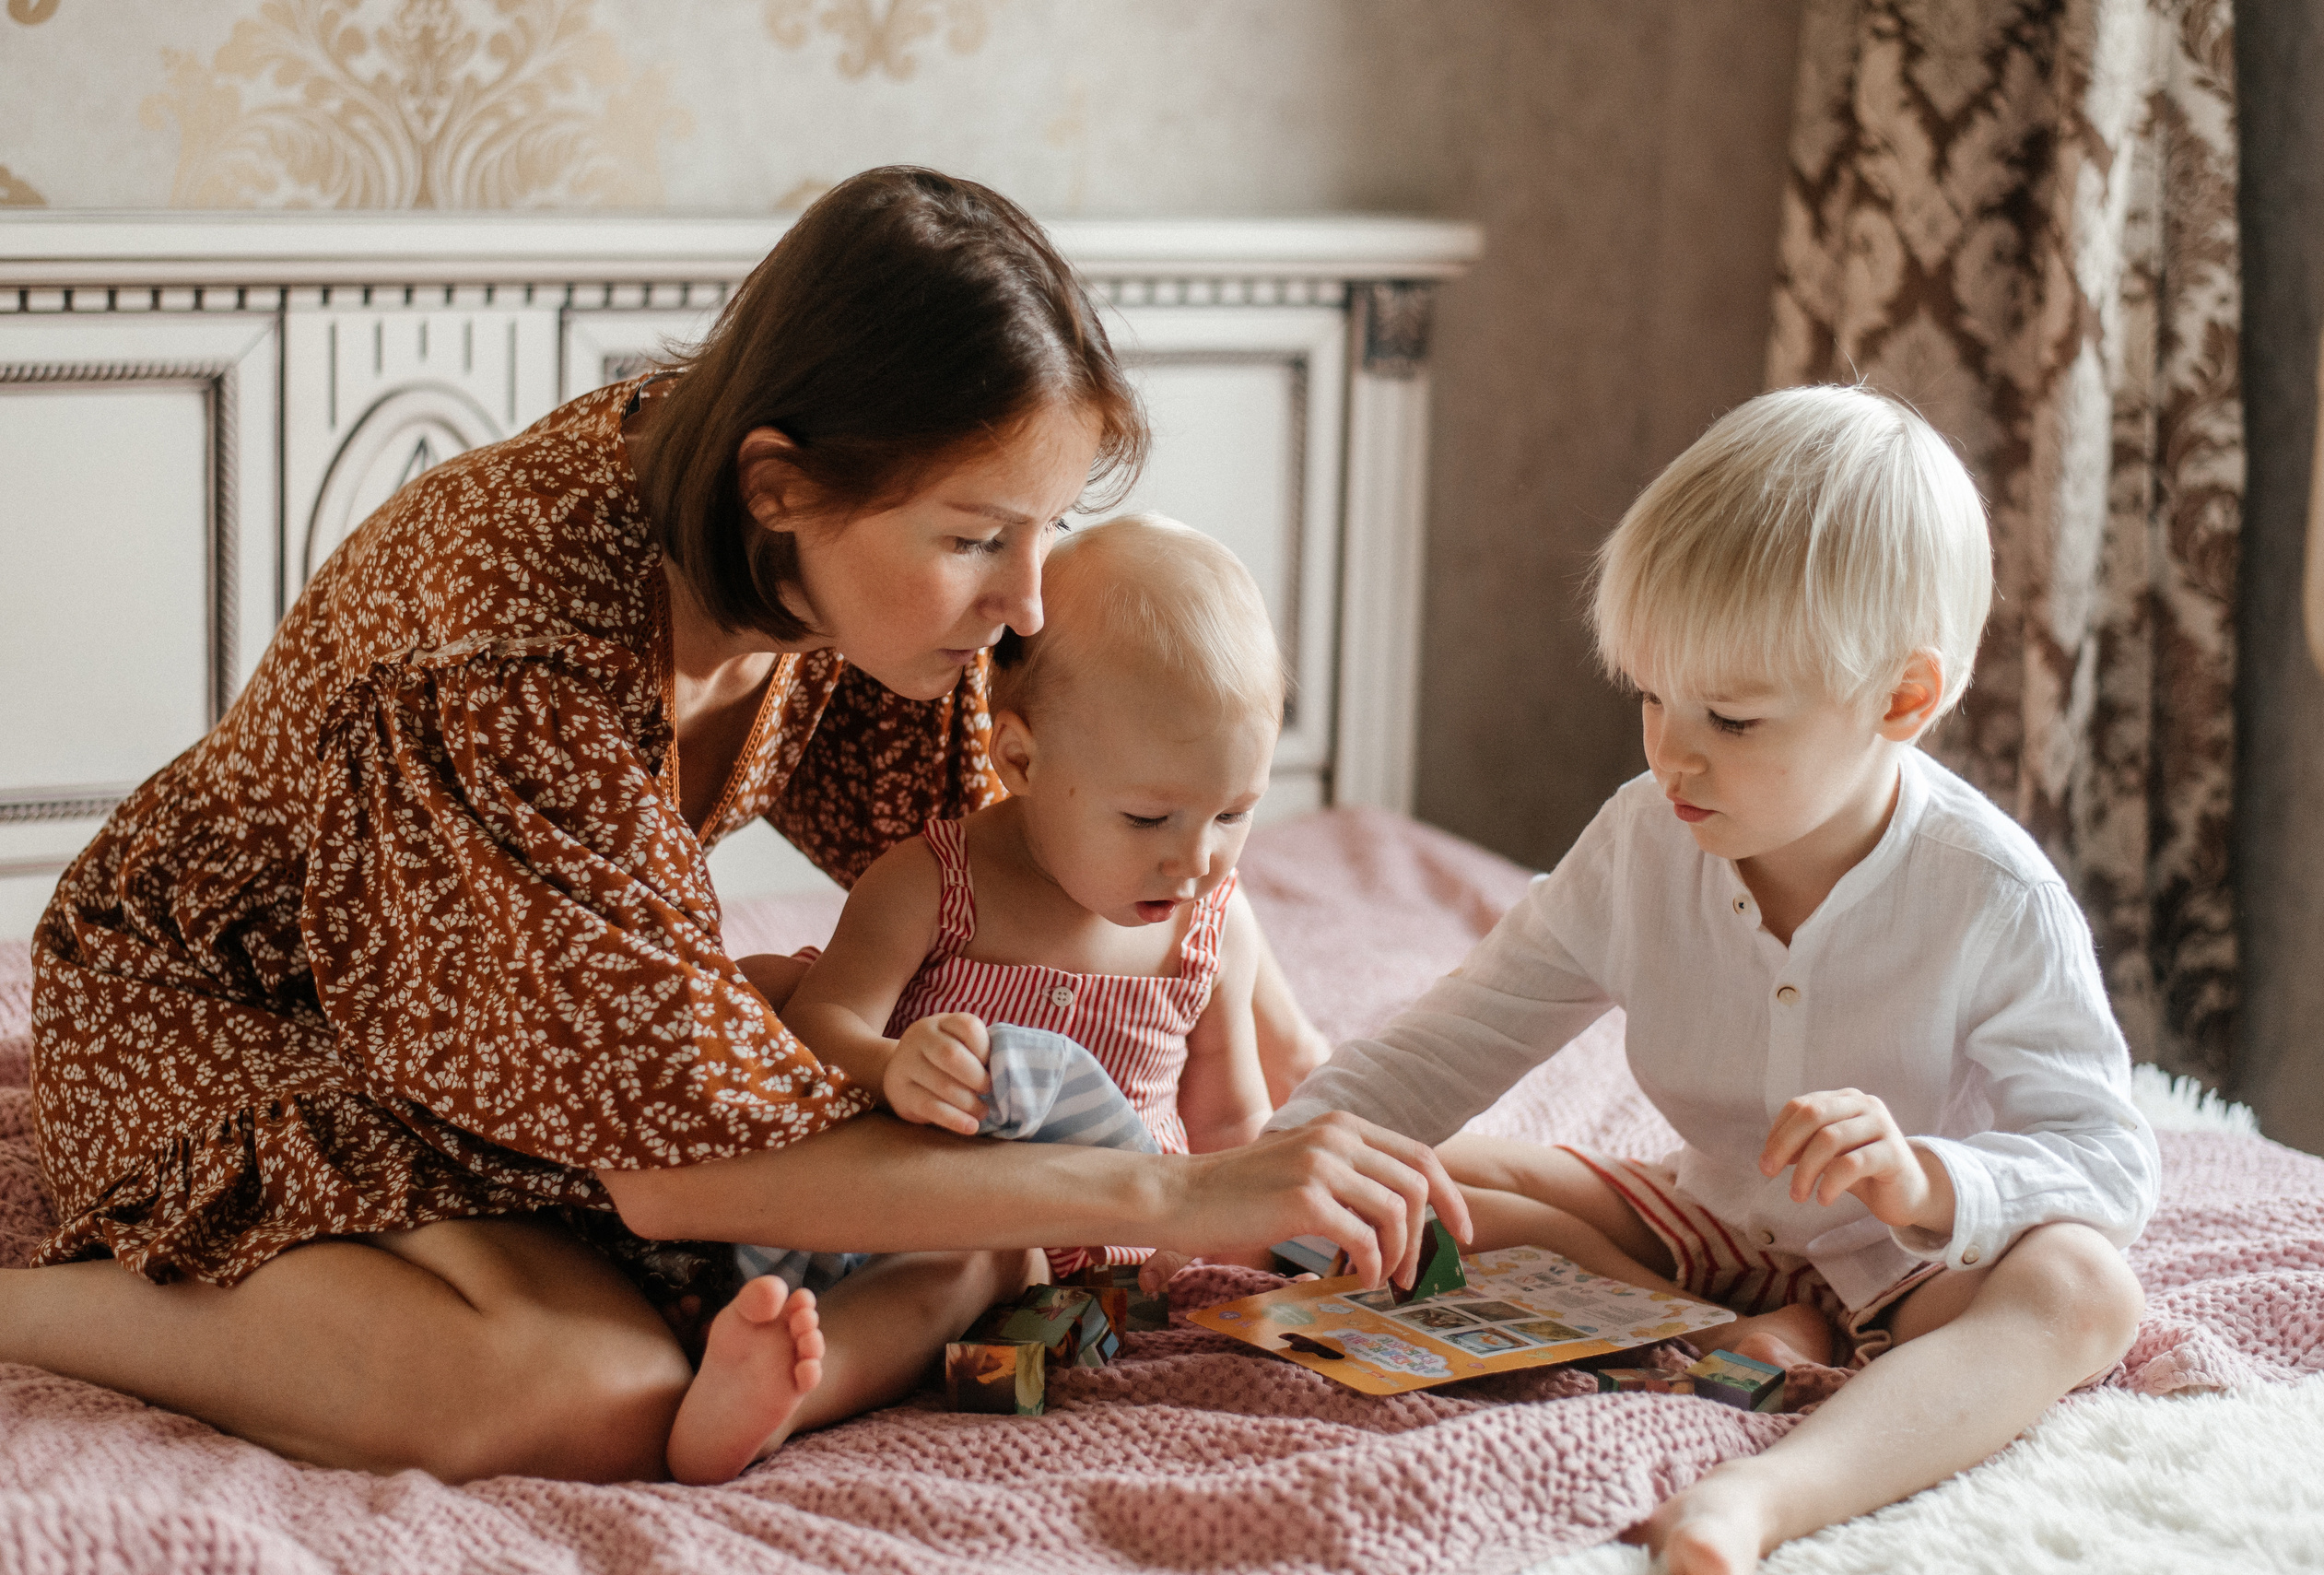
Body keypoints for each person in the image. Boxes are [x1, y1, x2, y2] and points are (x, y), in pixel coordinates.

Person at [15, 167, 1464, 1485]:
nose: (1026, 603)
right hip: (237, 1019)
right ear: (781, 484)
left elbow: (1030, 867)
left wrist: (1288, 1039)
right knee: (585, 1388)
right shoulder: (509, 650)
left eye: (1046, 527)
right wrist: (1181, 1194)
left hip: (485, 1049)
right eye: (977, 536)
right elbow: (671, 1171)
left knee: (951, 1227)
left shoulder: (826, 571)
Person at [1261, 386, 2157, 1575]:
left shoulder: (1991, 894)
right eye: (1651, 696)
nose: (1670, 754)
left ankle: (1764, 1493)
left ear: (1900, 699)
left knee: (2085, 1286)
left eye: (1731, 718)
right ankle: (1744, 1332)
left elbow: (2103, 1161)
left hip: (1915, 1268)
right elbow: (1449, 1043)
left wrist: (1925, 1177)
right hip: (1710, 1221)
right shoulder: (1641, 841)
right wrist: (1259, 1174)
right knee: (1390, 1169)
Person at [667, 514, 1295, 1483]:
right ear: (1022, 760)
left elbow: (1229, 1123)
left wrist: (1240, 1243)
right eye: (1147, 815)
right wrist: (893, 1064)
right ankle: (780, 1390)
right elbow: (814, 1027)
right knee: (967, 1266)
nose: (1195, 855)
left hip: (1106, 1278)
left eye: (1234, 812)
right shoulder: (933, 880)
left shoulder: (1211, 922)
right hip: (945, 1213)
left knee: (1021, 1298)